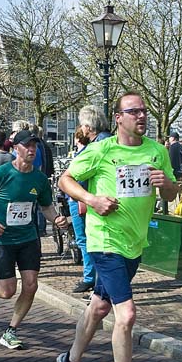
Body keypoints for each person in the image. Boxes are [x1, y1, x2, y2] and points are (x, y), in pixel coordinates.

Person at [56, 91, 177, 362]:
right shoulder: (102, 150)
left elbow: (171, 192)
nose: (141, 116)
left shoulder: (157, 151)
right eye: (133, 111)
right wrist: (92, 199)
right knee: (127, 314)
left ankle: (71, 361)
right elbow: (66, 179)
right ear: (119, 117)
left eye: (144, 111)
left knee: (98, 306)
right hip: (104, 242)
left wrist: (166, 183)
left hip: (134, 245)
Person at [0, 130, 68, 350]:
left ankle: (11, 330)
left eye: (35, 146)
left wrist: (57, 219)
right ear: (16, 149)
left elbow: (46, 207)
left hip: (28, 238)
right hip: (3, 240)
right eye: (27, 146)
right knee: (7, 291)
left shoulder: (40, 179)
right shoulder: (2, 174)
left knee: (31, 285)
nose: (32, 150)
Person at [70, 105, 111, 294]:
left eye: (82, 125)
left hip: (85, 199)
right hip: (90, 198)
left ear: (88, 126)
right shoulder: (107, 141)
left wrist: (81, 197)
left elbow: (80, 175)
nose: (82, 128)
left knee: (87, 240)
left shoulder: (97, 146)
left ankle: (92, 280)